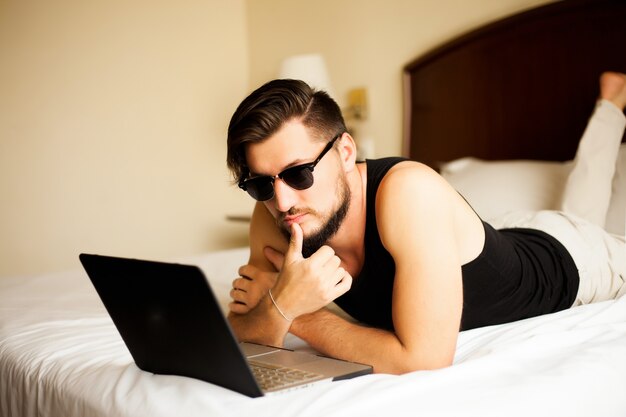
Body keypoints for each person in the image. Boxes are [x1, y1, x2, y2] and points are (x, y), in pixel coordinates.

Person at [225, 72, 626, 374]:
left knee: (585, 219)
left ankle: (610, 106)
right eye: (260, 183)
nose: (282, 200)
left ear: (346, 151)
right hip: (499, 234)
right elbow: (246, 329)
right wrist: (275, 310)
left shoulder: (409, 192)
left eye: (299, 174)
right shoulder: (274, 212)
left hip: (574, 257)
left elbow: (424, 360)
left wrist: (292, 309)